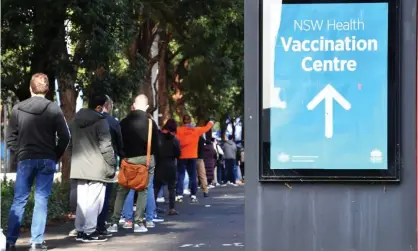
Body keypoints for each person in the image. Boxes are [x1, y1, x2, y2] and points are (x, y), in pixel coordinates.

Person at [5, 73, 71, 251]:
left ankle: (10, 242)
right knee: (41, 200)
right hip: (46, 158)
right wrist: (55, 155)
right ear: (47, 89)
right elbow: (65, 136)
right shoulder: (53, 109)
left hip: (25, 158)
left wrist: (19, 152)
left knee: (19, 200)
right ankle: (36, 242)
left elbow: (9, 137)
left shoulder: (18, 109)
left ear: (30, 88)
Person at [107, 94, 159, 233]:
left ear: (134, 105)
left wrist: (122, 155)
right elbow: (156, 144)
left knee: (122, 190)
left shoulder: (123, 122)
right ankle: (139, 223)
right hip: (146, 159)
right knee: (143, 190)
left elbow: (117, 142)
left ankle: (114, 222)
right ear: (147, 107)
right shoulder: (150, 123)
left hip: (127, 159)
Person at [69, 94, 116, 243]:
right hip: (97, 167)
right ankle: (90, 231)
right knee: (95, 201)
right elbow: (106, 146)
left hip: (79, 165)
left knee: (82, 201)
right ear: (99, 107)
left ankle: (81, 230)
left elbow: (70, 143)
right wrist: (112, 163)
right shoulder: (101, 122)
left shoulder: (75, 120)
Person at [176, 115, 214, 203]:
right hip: (193, 155)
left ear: (183, 121)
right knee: (193, 176)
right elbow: (206, 128)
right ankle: (193, 195)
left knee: (181, 176)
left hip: (182, 156)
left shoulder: (179, 130)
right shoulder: (196, 130)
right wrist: (211, 122)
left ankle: (179, 195)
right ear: (190, 121)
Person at [154, 119, 181, 215]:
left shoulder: (158, 137)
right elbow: (178, 153)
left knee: (156, 187)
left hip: (159, 164)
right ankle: (172, 208)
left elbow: (155, 151)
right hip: (171, 165)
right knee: (172, 187)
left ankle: (152, 207)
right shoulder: (175, 140)